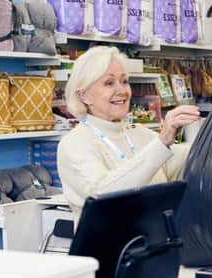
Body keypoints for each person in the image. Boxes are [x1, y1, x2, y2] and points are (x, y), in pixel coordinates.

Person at [58, 46, 200, 226]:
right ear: (84, 95)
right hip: (109, 252)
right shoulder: (75, 144)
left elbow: (181, 161)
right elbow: (104, 197)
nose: (122, 90)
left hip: (155, 246)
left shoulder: (140, 134)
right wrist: (162, 142)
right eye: (109, 83)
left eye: (124, 81)